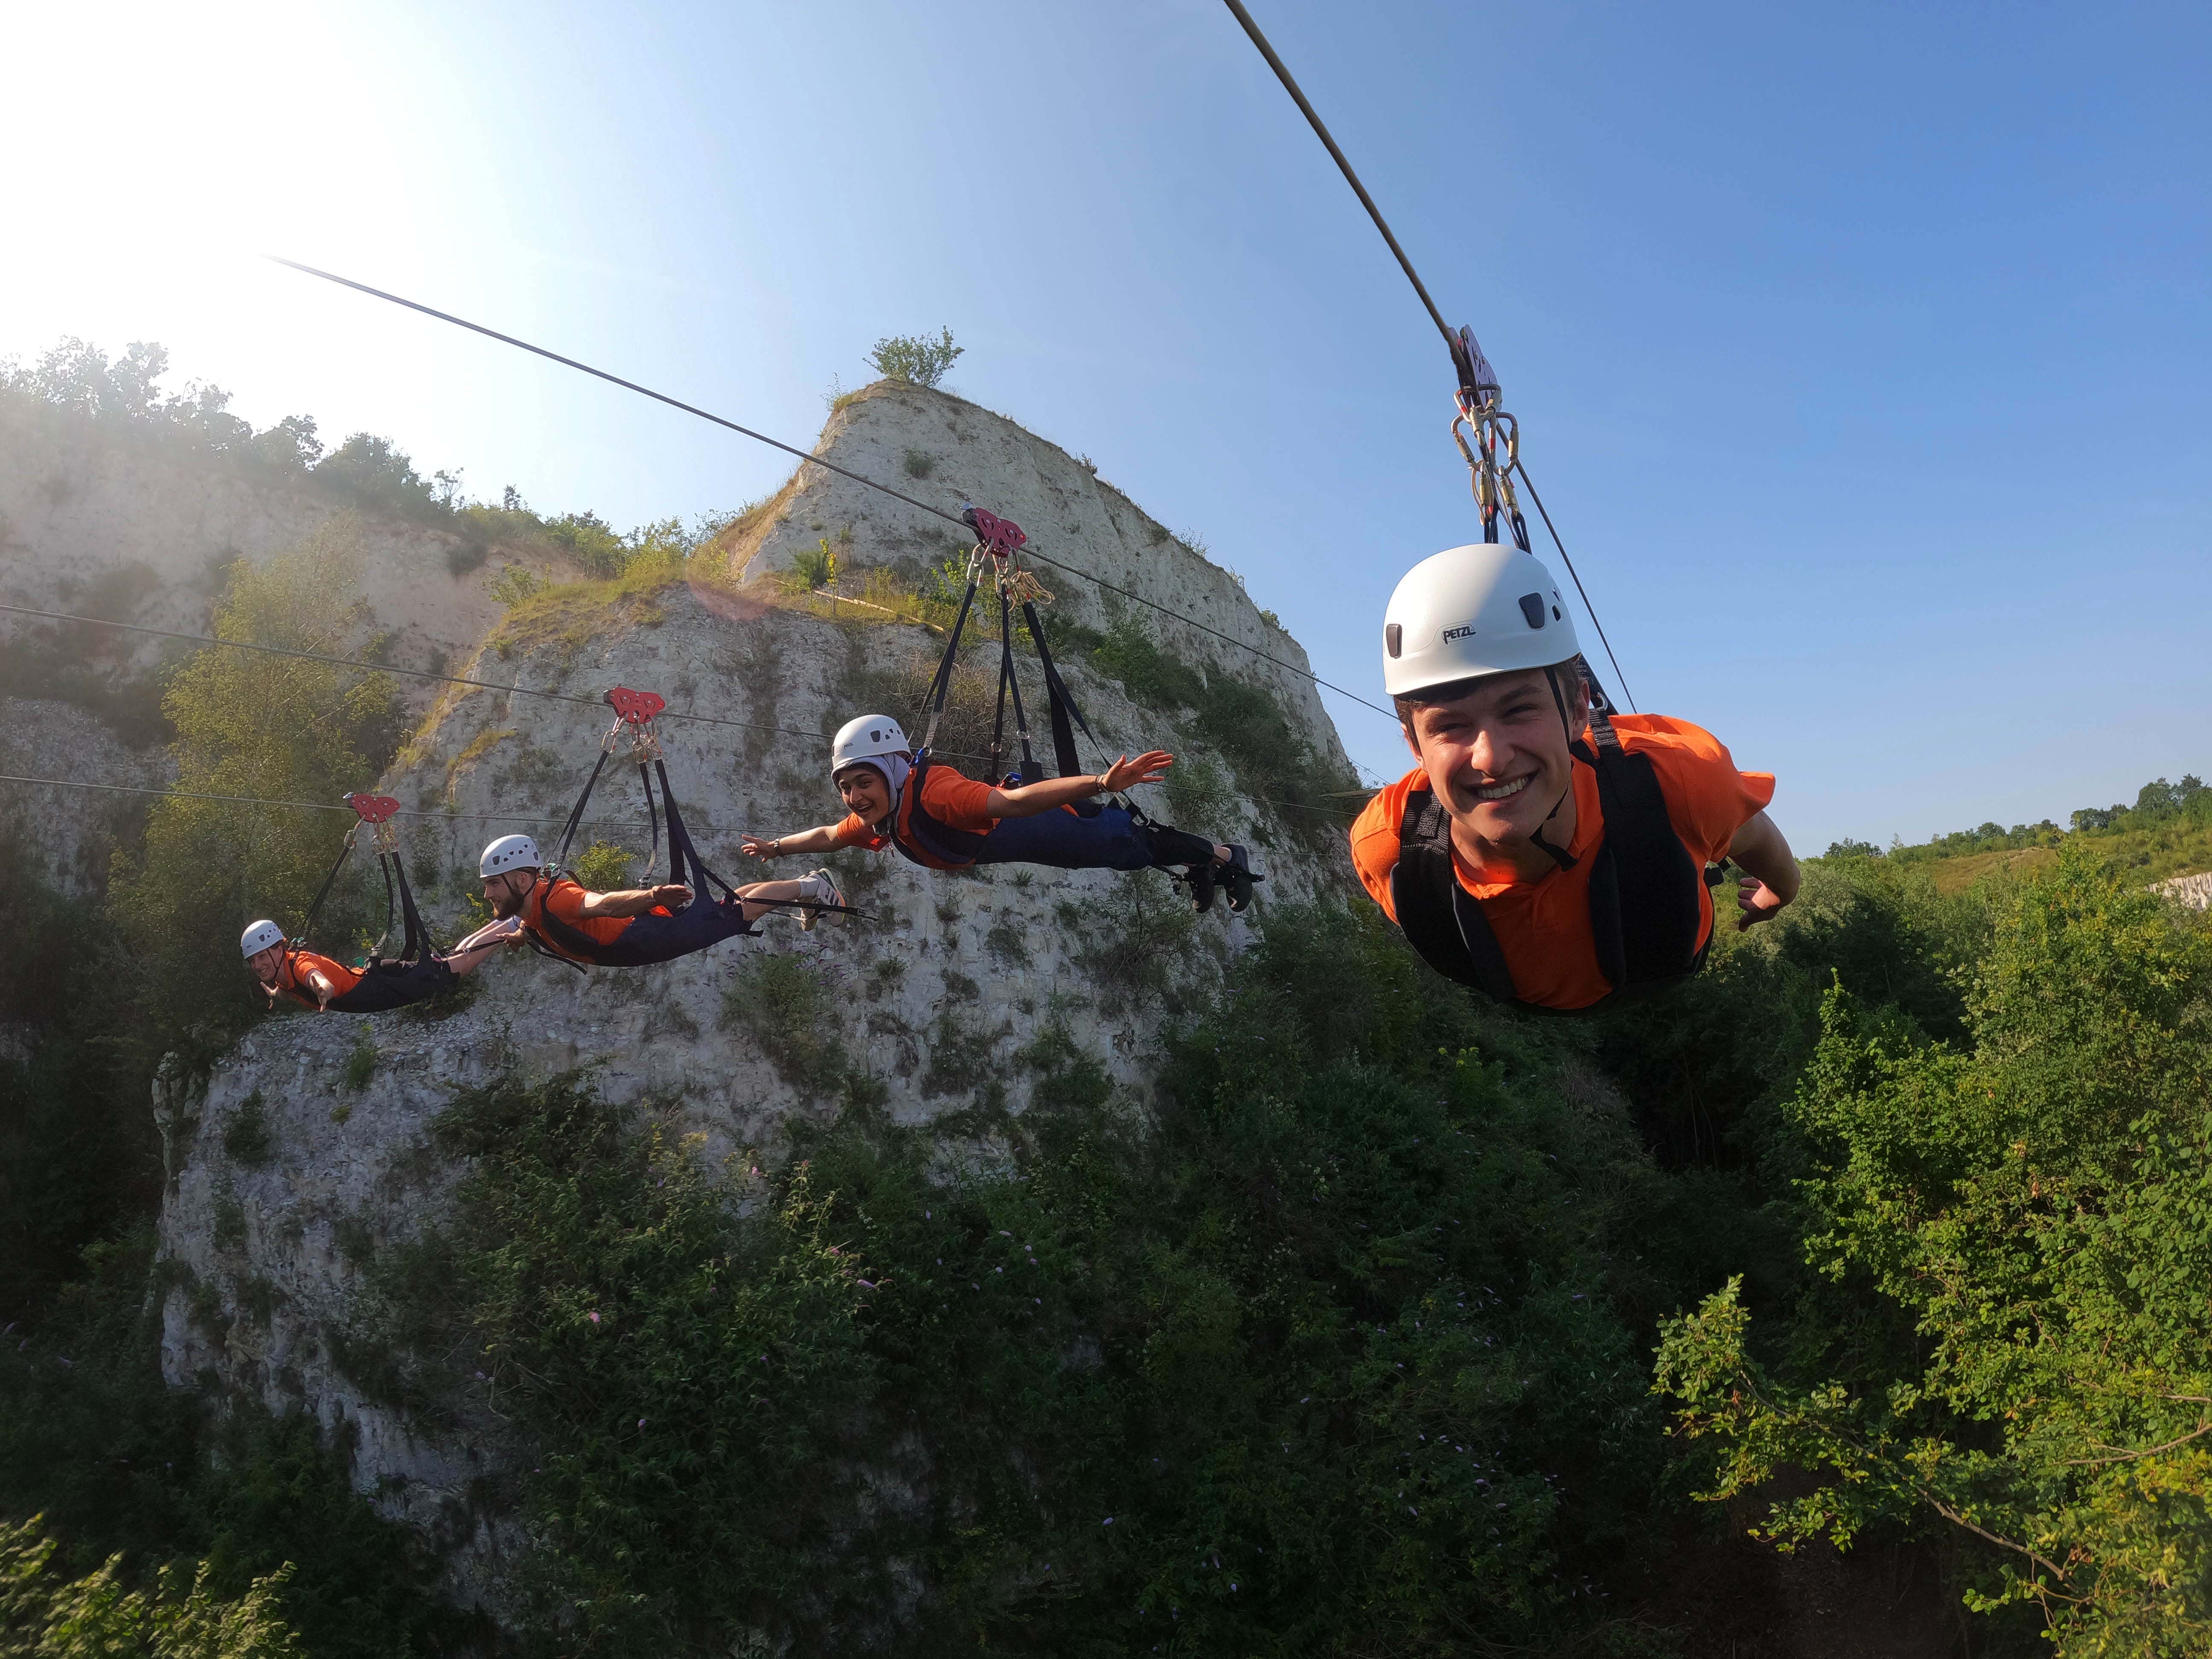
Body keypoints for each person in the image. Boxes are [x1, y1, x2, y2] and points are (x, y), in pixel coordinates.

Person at [1349, 543, 1798, 1014]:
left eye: (1519, 710)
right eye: (1450, 726)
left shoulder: (1677, 782)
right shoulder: (1392, 849)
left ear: (1579, 710)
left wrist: (1779, 894)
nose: (1491, 759)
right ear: (1415, 746)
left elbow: (1754, 833)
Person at [742, 716, 1260, 912]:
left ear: (893, 772)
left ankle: (1223, 855)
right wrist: (777, 847)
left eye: (864, 782)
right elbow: (830, 836)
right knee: (1126, 854)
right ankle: (1203, 865)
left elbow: (1012, 804)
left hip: (1040, 826)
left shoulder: (935, 793)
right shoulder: (882, 815)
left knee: (1130, 843)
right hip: (1026, 846)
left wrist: (1101, 782)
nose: (854, 797)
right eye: (847, 787)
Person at [473, 833, 843, 968]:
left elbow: (602, 904)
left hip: (645, 937)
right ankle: (808, 887)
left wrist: (651, 896)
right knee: (727, 910)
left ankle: (811, 887)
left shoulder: (557, 899)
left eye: (493, 884)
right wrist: (522, 935)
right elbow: (532, 920)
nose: (488, 893)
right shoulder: (528, 905)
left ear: (522, 879)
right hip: (638, 940)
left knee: (735, 918)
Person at [241, 916, 515, 1014]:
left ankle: (512, 924)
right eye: (254, 961)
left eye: (263, 956)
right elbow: (288, 990)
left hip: (381, 986)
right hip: (377, 982)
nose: (258, 964)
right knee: (451, 960)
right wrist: (275, 995)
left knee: (451, 971)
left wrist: (324, 989)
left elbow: (313, 977)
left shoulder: (299, 962)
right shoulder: (281, 976)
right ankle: (505, 923)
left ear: (280, 948)